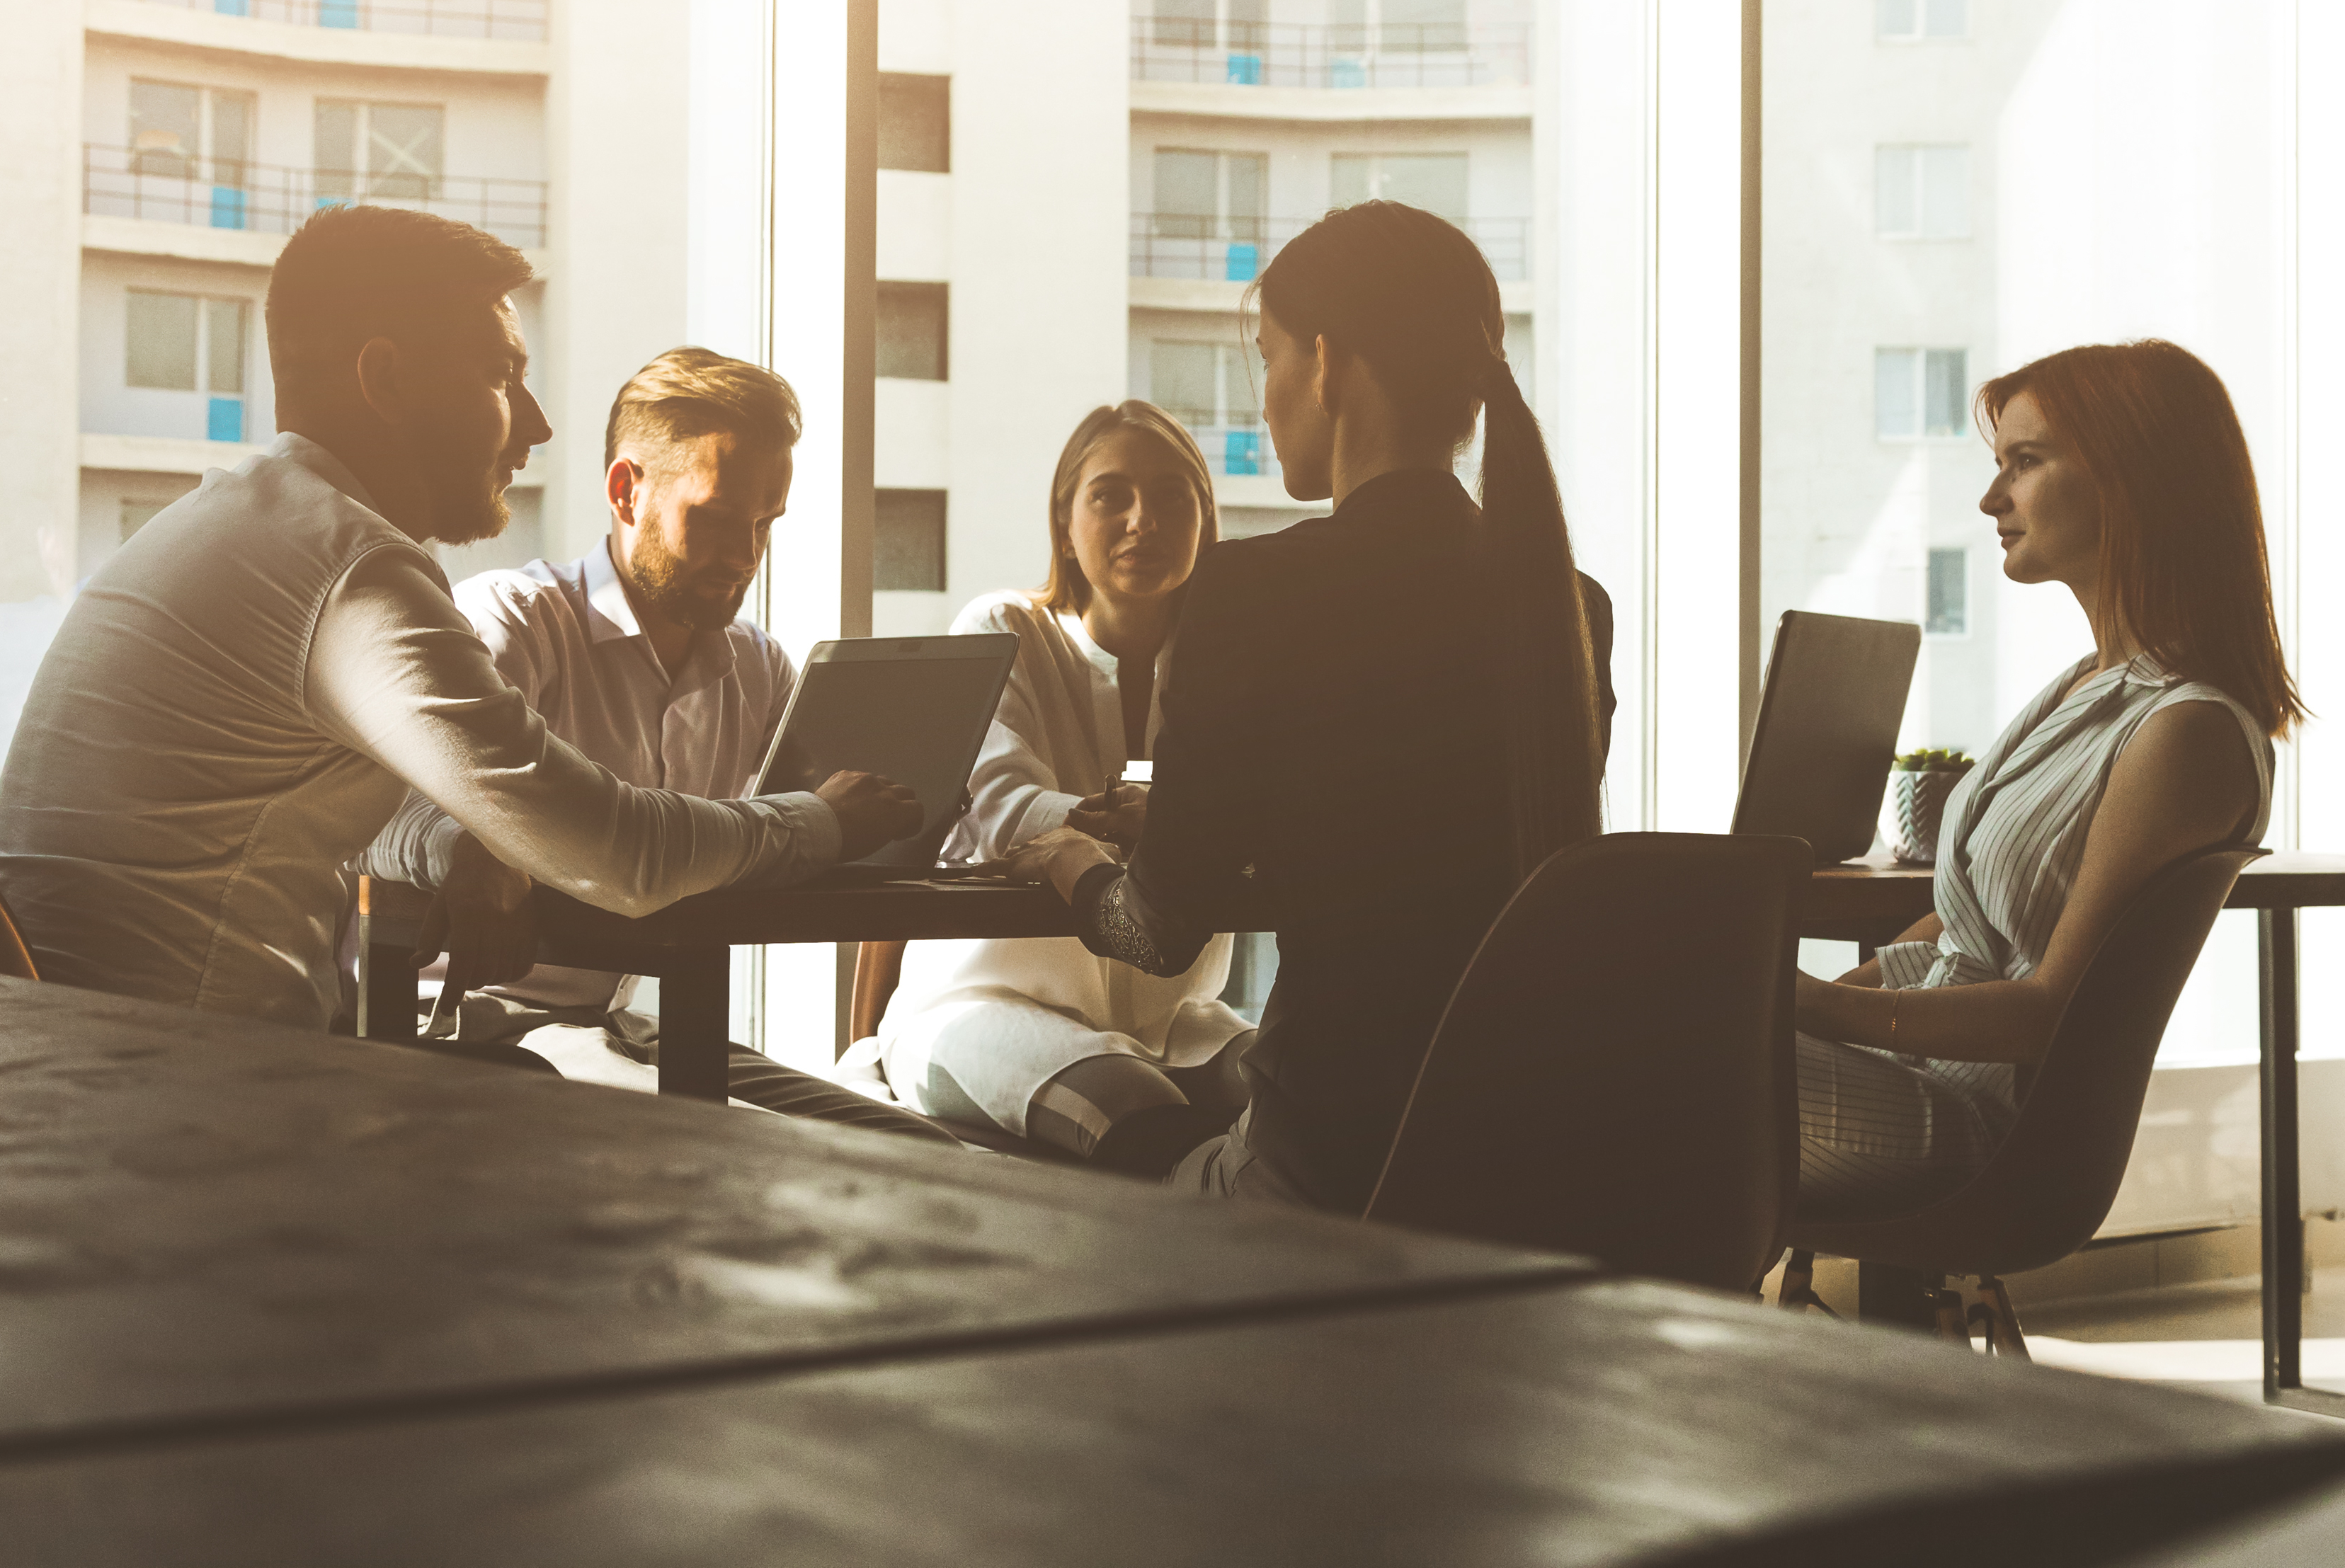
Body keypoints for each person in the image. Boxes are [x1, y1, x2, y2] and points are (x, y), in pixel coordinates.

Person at [0, 205, 920, 1039]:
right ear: (386, 380)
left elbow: (375, 815)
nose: (541, 424)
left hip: (84, 1076)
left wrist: (459, 841)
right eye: (502, 377)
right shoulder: (349, 569)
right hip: (178, 1123)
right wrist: (820, 822)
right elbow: (617, 850)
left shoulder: (252, 521)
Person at [1005, 201, 1615, 1211]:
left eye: (1269, 356)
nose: (1269, 395)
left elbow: (1155, 931)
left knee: (1006, 1160)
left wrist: (1073, 864)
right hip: (1513, 1173)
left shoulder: (1254, 590)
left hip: (1321, 1172)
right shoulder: (1566, 602)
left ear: (1327, 366)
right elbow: (1428, 846)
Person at [360, 346, 947, 1135]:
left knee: (914, 1146)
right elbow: (374, 813)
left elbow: (812, 824)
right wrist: (468, 840)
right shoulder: (513, 622)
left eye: (763, 526)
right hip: (472, 1025)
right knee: (754, 1151)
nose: (743, 558)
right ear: (625, 491)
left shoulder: (756, 663)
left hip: (624, 1030)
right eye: (713, 520)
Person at [1787, 338, 2295, 1218]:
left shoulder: (2184, 733)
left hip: (1977, 1130)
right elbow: (1957, 933)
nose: (1992, 499)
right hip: (1919, 1080)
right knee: (1645, 1038)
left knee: (1643, 1057)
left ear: (2133, 479)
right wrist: (1797, 1001)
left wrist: (1800, 1009)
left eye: (2024, 463)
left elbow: (2048, 1010)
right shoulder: (2086, 688)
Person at [877, 400, 1255, 1174]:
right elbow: (1003, 808)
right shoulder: (1003, 629)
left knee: (1289, 1091)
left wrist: (1180, 823)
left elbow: (1260, 824)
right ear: (1065, 520)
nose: (1142, 520)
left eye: (1171, 496)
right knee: (1138, 1110)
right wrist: (1176, 823)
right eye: (1110, 494)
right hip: (985, 1007)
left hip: (1174, 1016)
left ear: (1204, 519)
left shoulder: (1231, 674)